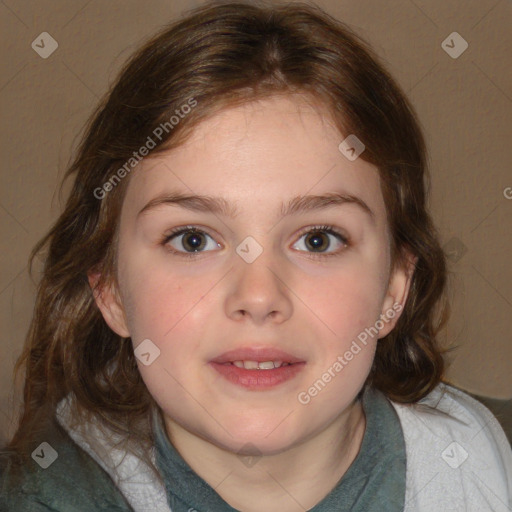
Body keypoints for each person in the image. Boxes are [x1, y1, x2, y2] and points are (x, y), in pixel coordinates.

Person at [1, 1, 511, 511]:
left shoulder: (491, 469)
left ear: (394, 289)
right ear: (109, 290)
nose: (259, 296)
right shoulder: (38, 494)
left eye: (318, 239)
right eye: (193, 240)